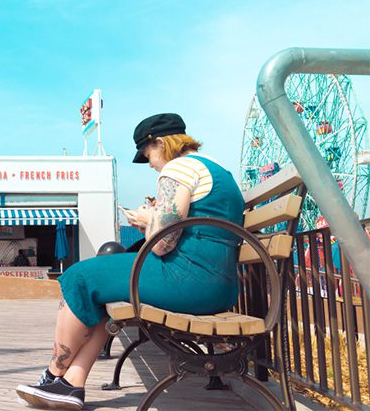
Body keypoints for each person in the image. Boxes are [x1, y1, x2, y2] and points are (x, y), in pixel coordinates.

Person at [15, 113, 245, 409]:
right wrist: (152, 221)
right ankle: (71, 383)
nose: (149, 163)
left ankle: (52, 375)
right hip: (220, 287)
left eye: (147, 153)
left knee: (80, 276)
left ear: (160, 143)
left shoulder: (179, 168)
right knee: (100, 294)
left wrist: (148, 219)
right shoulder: (217, 170)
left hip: (189, 280)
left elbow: (162, 245)